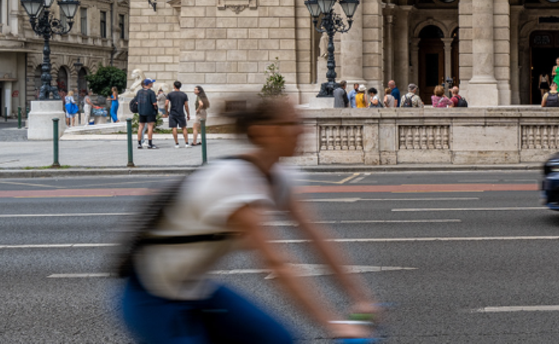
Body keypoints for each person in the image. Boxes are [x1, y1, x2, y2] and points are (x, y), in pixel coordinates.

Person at [117, 97, 380, 343]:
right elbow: (277, 263)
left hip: (197, 290)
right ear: (262, 131)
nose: (303, 131)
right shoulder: (232, 179)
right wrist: (332, 324)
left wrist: (360, 297)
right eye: (292, 124)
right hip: (152, 300)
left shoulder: (280, 176)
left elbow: (316, 237)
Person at [134, 79, 160, 149]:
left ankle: (139, 143)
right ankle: (150, 143)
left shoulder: (139, 92)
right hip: (150, 111)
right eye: (151, 83)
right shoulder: (151, 92)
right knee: (150, 126)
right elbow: (154, 103)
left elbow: (136, 102)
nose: (152, 84)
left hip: (141, 111)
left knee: (141, 127)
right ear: (148, 84)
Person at [165, 81, 192, 147]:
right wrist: (188, 114)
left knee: (174, 128)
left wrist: (166, 111)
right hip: (181, 113)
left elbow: (166, 104)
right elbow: (186, 105)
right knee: (184, 128)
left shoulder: (170, 94)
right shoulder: (184, 94)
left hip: (172, 113)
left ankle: (176, 143)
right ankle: (186, 143)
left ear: (174, 86)